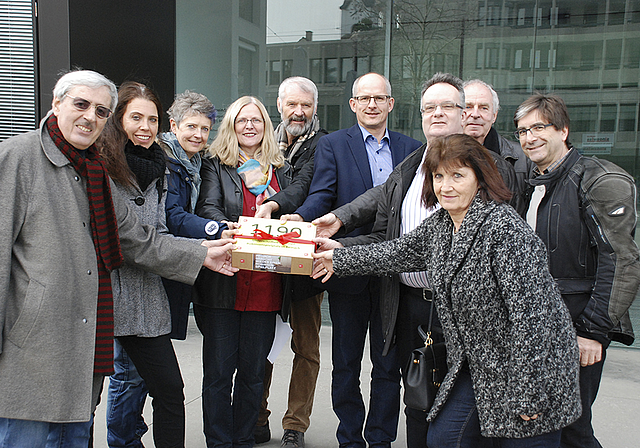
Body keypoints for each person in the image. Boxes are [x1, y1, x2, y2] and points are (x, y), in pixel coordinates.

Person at [0, 69, 236, 447]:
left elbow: (137, 239)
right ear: (56, 104)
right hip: (35, 343)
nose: (90, 116)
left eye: (100, 110)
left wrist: (200, 255)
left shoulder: (94, 167)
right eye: (81, 104)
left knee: (79, 429)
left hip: (89, 327)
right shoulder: (18, 158)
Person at [313, 133, 582, 447]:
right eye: (438, 176)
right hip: (479, 362)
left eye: (457, 175)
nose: (446, 185)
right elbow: (396, 253)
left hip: (530, 370)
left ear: (480, 179)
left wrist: (528, 394)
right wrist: (338, 257)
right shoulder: (442, 224)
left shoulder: (504, 229)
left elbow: (533, 321)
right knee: (444, 438)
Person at [311, 72, 514, 448]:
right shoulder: (409, 166)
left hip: (464, 313)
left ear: (463, 112)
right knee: (417, 401)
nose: (437, 113)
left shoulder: (490, 170)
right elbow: (395, 238)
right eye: (429, 107)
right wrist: (342, 237)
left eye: (446, 106)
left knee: (465, 412)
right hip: (409, 306)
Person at [282, 72, 422, 448]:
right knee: (345, 364)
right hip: (345, 269)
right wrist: (304, 221)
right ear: (353, 105)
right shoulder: (333, 145)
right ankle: (349, 439)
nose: (372, 104)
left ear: (391, 104)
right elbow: (322, 195)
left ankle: (379, 439)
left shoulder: (414, 148)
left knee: (387, 364)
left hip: (394, 271)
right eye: (365, 98)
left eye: (380, 98)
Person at [514, 93, 640, 448]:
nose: (530, 138)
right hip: (540, 324)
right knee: (550, 423)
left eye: (539, 127)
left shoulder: (599, 179)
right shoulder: (534, 184)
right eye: (523, 131)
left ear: (563, 129)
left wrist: (593, 331)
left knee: (574, 428)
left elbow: (622, 261)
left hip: (578, 325)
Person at [193, 96, 293, 447]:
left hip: (266, 287)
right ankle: (219, 442)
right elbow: (207, 207)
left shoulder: (280, 170)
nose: (249, 126)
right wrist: (234, 229)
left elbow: (291, 216)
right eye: (242, 120)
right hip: (225, 282)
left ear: (266, 126)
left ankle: (243, 440)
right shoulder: (215, 164)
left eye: (257, 120)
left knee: (253, 374)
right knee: (219, 374)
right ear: (231, 126)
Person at [253, 77, 328, 448]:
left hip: (305, 263)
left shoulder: (324, 145)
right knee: (263, 341)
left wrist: (275, 204)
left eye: (307, 106)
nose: (299, 112)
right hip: (264, 259)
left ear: (315, 107)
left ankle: (295, 424)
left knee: (306, 347)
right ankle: (258, 415)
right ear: (279, 104)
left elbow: (306, 186)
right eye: (292, 104)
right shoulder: (264, 141)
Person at [159, 90, 228, 341]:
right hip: (159, 264)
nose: (198, 135)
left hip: (179, 258)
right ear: (174, 126)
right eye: (191, 126)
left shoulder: (199, 161)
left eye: (205, 129)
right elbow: (172, 215)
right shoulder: (164, 161)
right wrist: (216, 228)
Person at [462, 79, 531, 215]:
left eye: (483, 108)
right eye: (468, 106)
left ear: (494, 116)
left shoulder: (523, 158)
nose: (475, 114)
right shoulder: (441, 156)